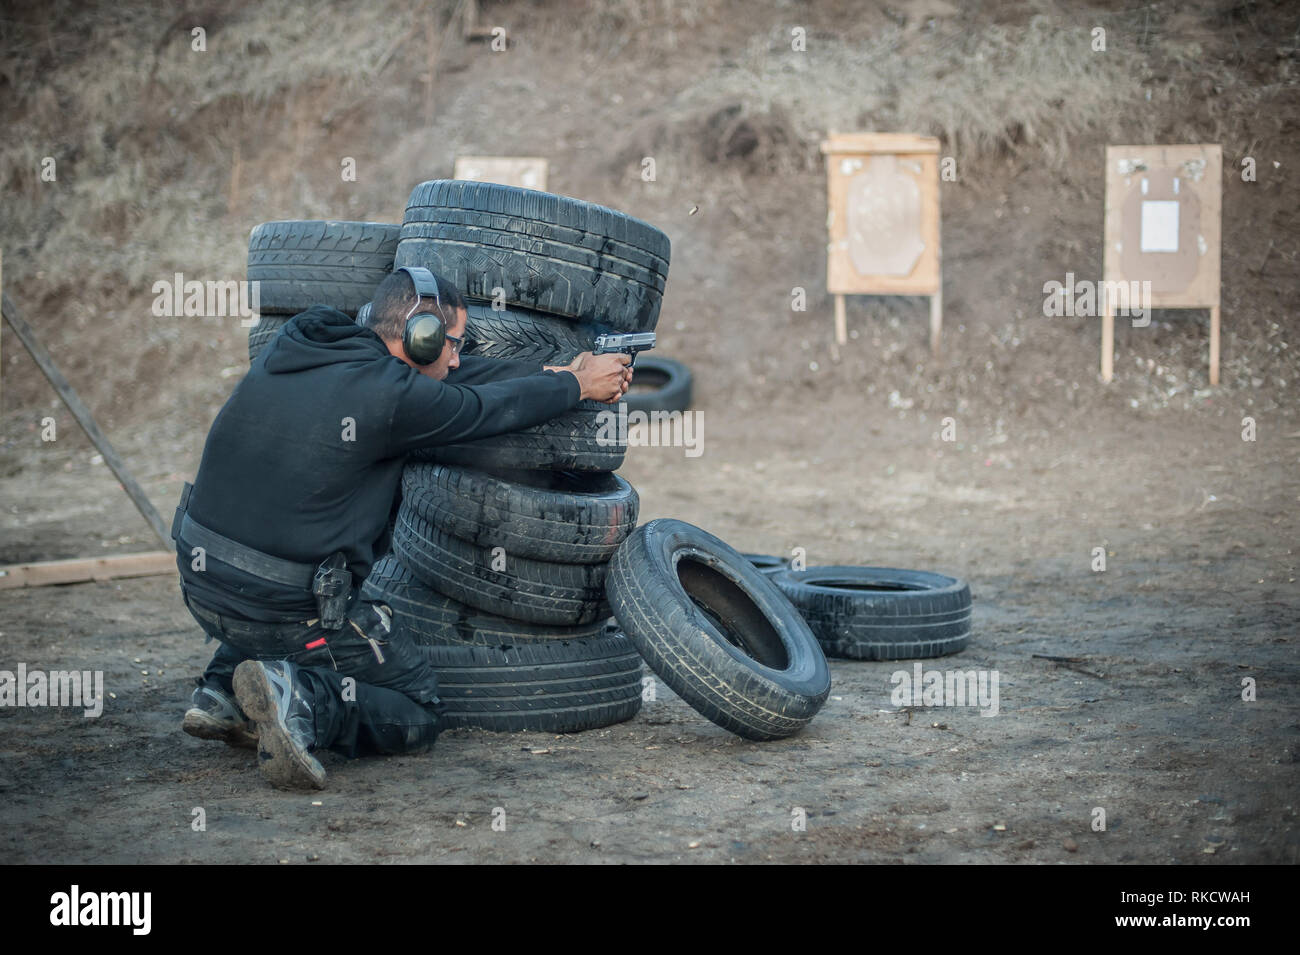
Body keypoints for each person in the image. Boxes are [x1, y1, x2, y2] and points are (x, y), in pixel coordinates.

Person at [174, 266, 631, 789]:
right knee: (417, 710)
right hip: (285, 609)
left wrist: (555, 374)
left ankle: (220, 692)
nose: (457, 357)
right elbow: (482, 409)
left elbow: (458, 379)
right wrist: (580, 385)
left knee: (272, 547)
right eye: (452, 343)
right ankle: (301, 698)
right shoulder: (392, 400)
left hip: (203, 584)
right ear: (421, 336)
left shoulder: (302, 347)